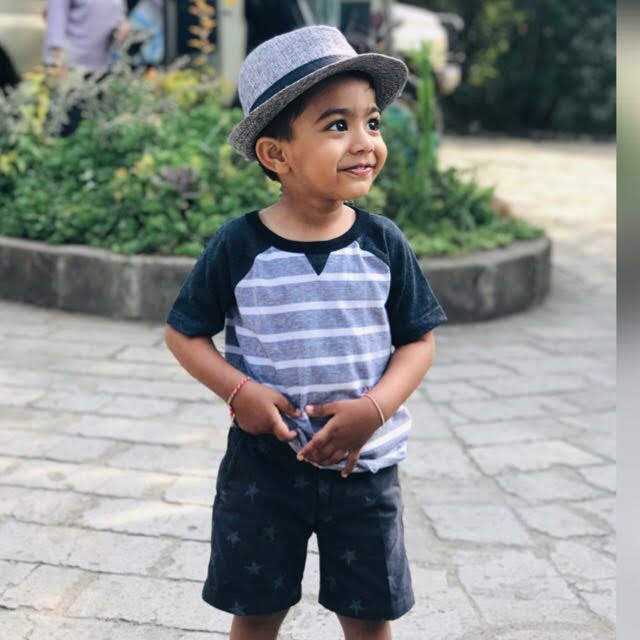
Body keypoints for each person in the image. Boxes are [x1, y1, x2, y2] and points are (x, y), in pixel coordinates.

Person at [164, 25, 448, 640]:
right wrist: (239, 392)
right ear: (276, 155)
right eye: (337, 125)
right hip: (264, 469)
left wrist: (375, 409)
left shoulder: (383, 245)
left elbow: (418, 341)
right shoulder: (239, 246)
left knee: (368, 616)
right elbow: (183, 333)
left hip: (363, 467)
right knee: (256, 611)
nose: (365, 141)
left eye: (372, 122)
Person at [42, 0, 131, 136]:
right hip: (71, 71)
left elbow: (119, 14)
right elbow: (56, 21)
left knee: (97, 132)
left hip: (104, 71)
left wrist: (123, 27)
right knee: (64, 129)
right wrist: (57, 63)